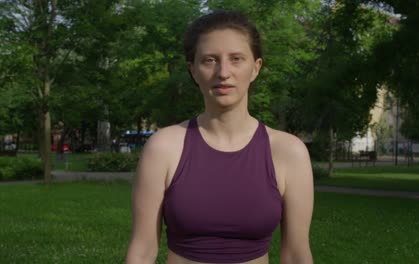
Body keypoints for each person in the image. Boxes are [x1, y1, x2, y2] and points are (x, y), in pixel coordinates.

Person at [126, 10, 314, 264]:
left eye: (236, 59)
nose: (223, 72)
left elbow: (296, 255)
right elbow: (142, 251)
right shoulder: (163, 147)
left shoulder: (289, 152)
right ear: (193, 70)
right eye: (210, 60)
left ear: (256, 68)